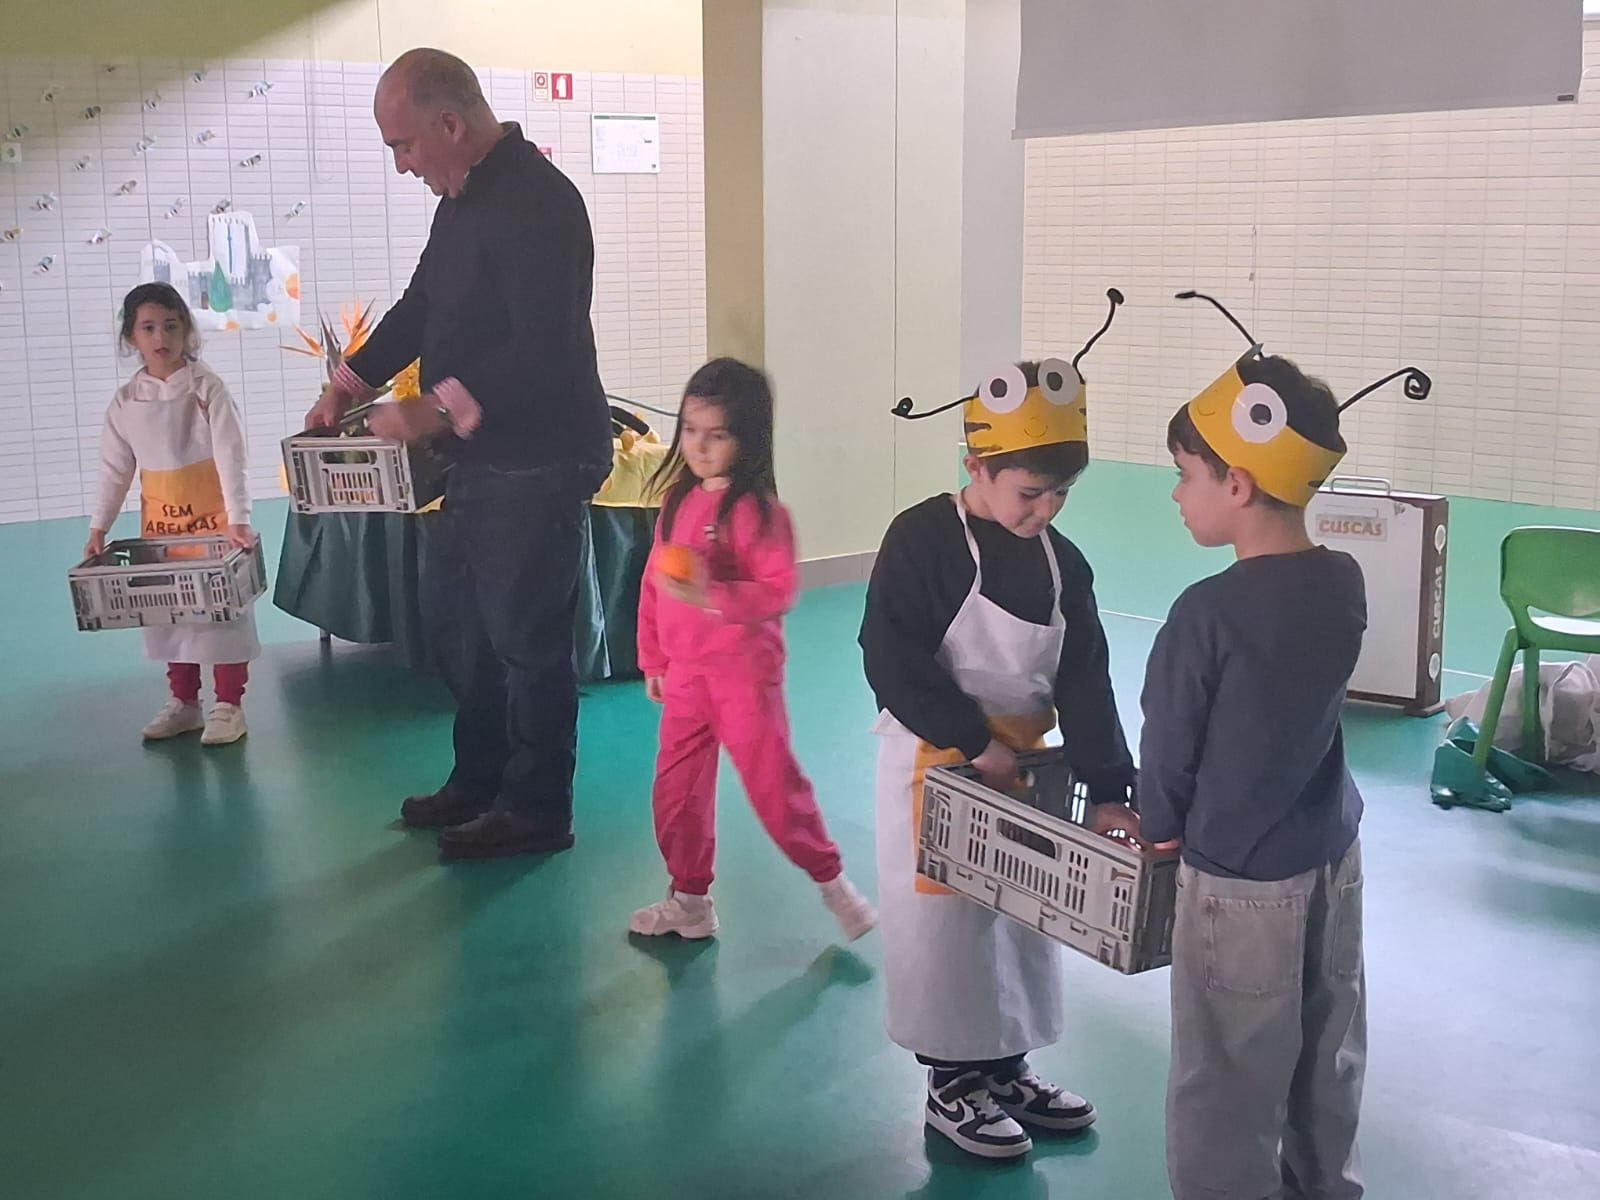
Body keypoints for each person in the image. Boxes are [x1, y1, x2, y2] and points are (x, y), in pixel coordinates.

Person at [1141, 290, 1430, 1200]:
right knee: (1327, 1047)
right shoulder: (1342, 582)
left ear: (1236, 484)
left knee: (1226, 1077)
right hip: (1331, 858)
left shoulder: (1206, 613)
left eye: (1185, 474)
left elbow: (1170, 744)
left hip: (1236, 880)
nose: (1176, 493)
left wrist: (1158, 829)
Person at [306, 47, 612, 861]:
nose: (402, 166)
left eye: (402, 146)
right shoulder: (461, 201)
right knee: (462, 632)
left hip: (542, 458)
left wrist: (430, 408)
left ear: (449, 123)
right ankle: (479, 780)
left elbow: (542, 349)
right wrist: (346, 384)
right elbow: (420, 306)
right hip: (478, 459)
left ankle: (537, 809)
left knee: (526, 644)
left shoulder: (542, 202)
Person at [861, 291, 1141, 1161]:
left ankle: (1007, 1069)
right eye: (1029, 492)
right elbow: (890, 658)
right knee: (946, 932)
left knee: (1019, 922)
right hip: (936, 764)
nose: (1045, 510)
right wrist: (974, 741)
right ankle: (952, 1082)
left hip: (1024, 774)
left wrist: (1108, 787)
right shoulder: (922, 540)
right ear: (975, 466)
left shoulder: (1065, 565)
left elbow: (1086, 678)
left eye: (1060, 494)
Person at [629, 358, 876, 943]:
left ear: (747, 439)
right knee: (676, 793)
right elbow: (652, 586)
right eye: (690, 430)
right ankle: (689, 900)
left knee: (774, 788)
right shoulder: (675, 503)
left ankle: (831, 881)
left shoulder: (760, 514)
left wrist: (711, 593)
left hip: (743, 678)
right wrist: (654, 659)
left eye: (716, 435)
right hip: (686, 677)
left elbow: (778, 590)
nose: (699, 447)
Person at [87, 282, 258, 746]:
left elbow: (231, 455)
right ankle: (184, 703)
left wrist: (238, 516)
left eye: (170, 325)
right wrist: (99, 526)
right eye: (148, 328)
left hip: (215, 523)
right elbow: (115, 470)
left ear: (186, 331)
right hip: (162, 529)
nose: (160, 337)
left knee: (222, 615)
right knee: (171, 613)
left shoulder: (206, 389)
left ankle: (229, 705)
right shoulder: (126, 402)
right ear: (131, 337)